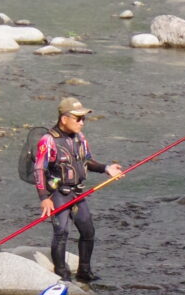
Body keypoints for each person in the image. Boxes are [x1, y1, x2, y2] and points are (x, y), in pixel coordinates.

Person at [33, 97, 124, 285]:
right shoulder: (47, 141)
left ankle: (84, 272)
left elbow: (87, 161)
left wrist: (106, 168)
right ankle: (62, 275)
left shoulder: (81, 138)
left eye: (84, 119)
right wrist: (44, 198)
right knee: (61, 233)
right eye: (78, 118)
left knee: (88, 231)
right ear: (64, 119)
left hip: (78, 193)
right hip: (58, 194)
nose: (82, 123)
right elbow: (39, 170)